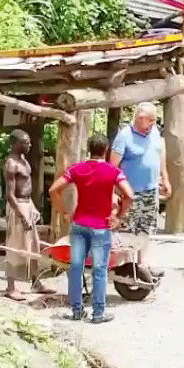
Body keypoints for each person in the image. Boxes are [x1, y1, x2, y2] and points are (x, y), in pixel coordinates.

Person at [48, 134, 133, 324]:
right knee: (100, 270)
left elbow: (54, 189)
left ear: (89, 149)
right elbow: (129, 195)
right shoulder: (113, 171)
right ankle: (98, 314)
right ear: (106, 150)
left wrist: (64, 212)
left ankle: (77, 311)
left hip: (79, 225)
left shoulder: (77, 169)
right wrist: (118, 217)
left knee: (76, 268)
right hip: (101, 228)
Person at [110, 103, 171, 280]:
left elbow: (160, 155)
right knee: (129, 230)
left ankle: (144, 266)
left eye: (155, 120)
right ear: (139, 118)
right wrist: (115, 191)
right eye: (150, 120)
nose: (153, 123)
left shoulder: (153, 133)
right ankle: (129, 268)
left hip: (150, 191)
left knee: (147, 228)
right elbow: (113, 166)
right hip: (131, 193)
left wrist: (165, 178)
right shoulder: (124, 136)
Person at [1, 130, 55, 301]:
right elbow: (10, 195)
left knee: (33, 245)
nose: (29, 145)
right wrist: (22, 216)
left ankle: (36, 282)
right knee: (16, 246)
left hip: (26, 204)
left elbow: (26, 189)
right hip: (17, 207)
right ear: (16, 143)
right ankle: (10, 287)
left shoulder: (23, 161)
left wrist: (32, 208)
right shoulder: (11, 164)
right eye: (26, 142)